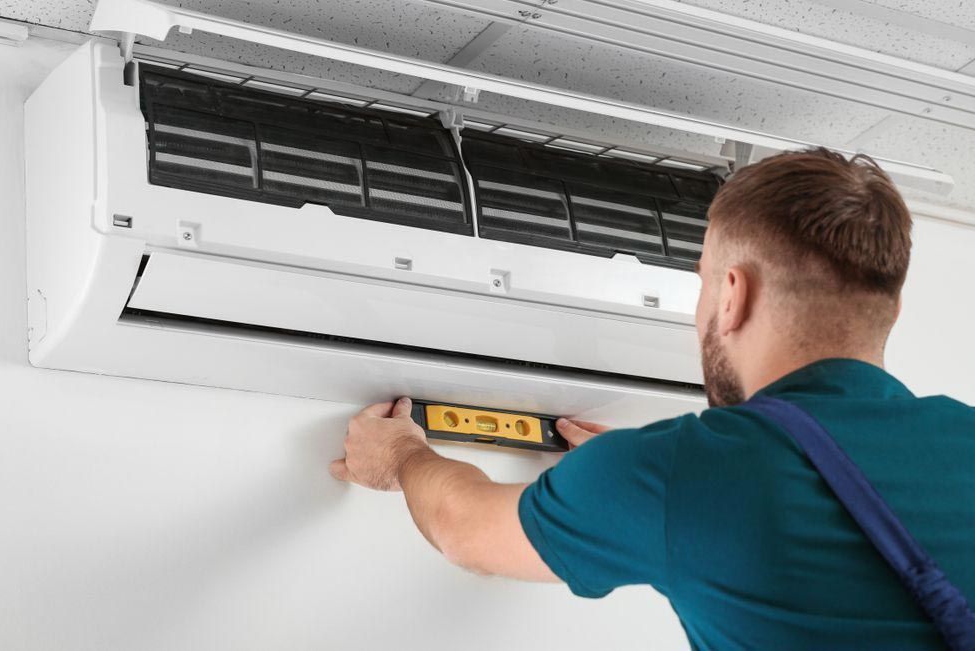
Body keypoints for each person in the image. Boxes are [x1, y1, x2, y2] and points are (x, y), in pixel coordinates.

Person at [328, 148, 975, 649]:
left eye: (698, 283)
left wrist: (402, 457)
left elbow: (466, 529)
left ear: (731, 293)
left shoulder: (688, 469)